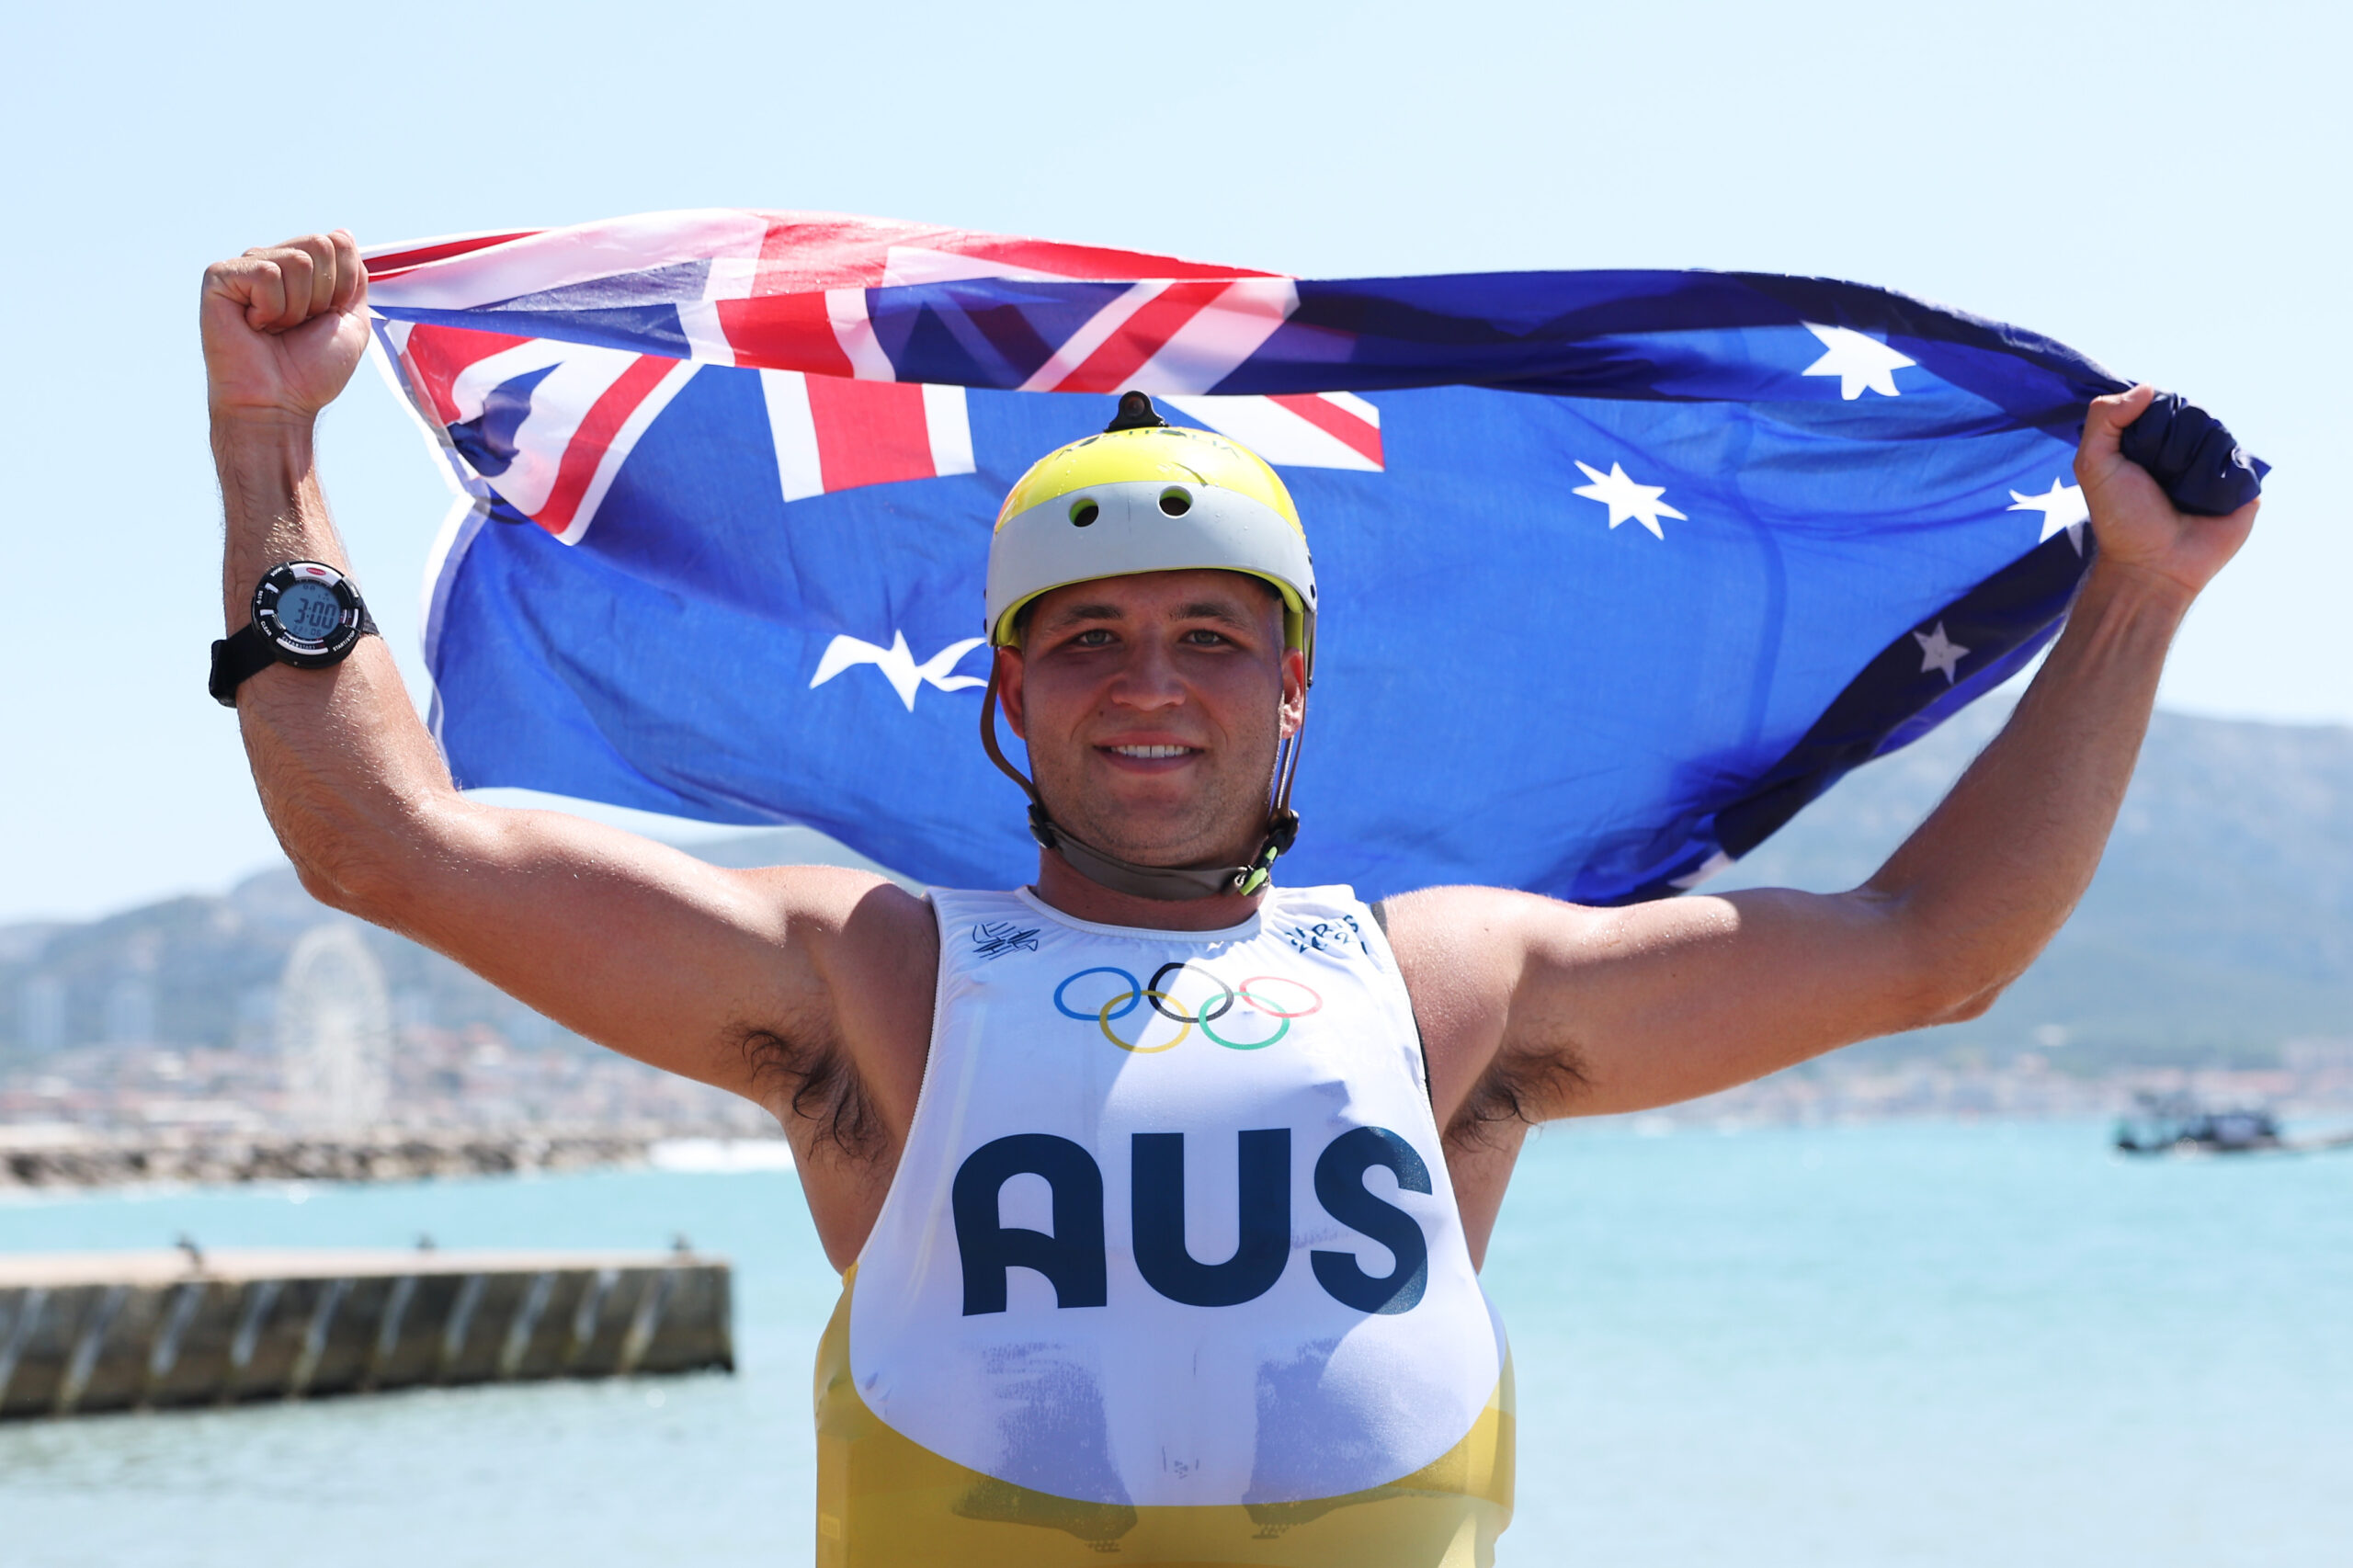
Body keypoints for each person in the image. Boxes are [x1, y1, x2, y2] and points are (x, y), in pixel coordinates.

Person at [200, 232, 2255, 1567]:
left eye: (1208, 635)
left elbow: (1930, 950)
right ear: (1003, 689)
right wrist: (273, 453)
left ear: (1290, 682)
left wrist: (2132, 603)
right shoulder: (870, 977)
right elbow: (387, 841)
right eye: (1088, 641)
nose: (1151, 686)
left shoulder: (1454, 978)